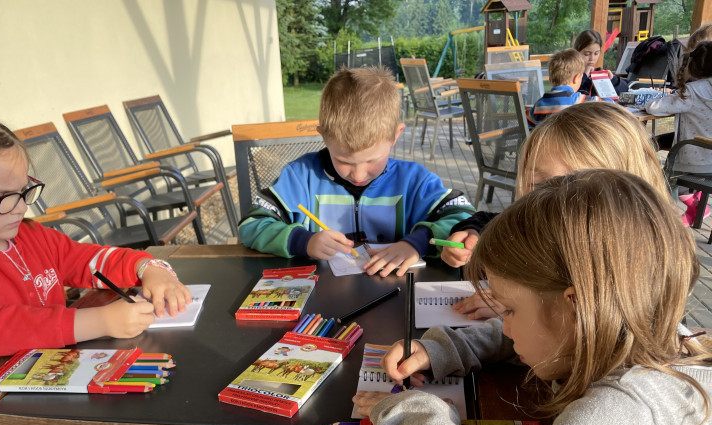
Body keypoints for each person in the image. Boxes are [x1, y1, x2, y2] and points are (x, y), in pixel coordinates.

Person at [352, 169, 712, 425]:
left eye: (508, 310)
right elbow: (526, 334)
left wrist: (413, 413)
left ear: (575, 308)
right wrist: (446, 348)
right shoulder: (640, 332)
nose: (503, 324)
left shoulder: (626, 414)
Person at [0, 110, 193, 407]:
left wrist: (148, 267)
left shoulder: (30, 235)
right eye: (2, 197)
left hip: (52, 381)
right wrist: (101, 321)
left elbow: (89, 260)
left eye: (23, 190)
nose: (21, 207)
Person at [237, 66, 474, 278]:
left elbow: (464, 217)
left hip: (397, 296)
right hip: (322, 299)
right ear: (323, 136)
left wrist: (417, 243)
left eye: (372, 160)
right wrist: (303, 241)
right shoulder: (300, 177)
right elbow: (252, 225)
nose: (358, 175)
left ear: (395, 136)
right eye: (343, 160)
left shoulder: (414, 181)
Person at [440, 101, 668, 307]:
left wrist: (515, 309)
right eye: (537, 184)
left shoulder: (634, 271)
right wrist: (472, 233)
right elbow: (490, 221)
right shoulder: (533, 225)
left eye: (572, 189)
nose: (546, 200)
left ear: (623, 196)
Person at [647, 40, 712, 179]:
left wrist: (649, 99)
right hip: (709, 162)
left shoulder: (691, 92)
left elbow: (654, 107)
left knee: (648, 145)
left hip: (693, 163)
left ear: (692, 66)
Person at [526, 49, 608, 127]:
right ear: (576, 78)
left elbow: (527, 120)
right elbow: (608, 105)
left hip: (546, 137)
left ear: (550, 79)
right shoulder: (579, 100)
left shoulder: (538, 105)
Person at [574, 29, 629, 97]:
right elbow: (569, 92)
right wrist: (584, 76)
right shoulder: (569, 74)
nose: (592, 58)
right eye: (587, 54)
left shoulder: (598, 73)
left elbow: (626, 90)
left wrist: (613, 80)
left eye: (596, 53)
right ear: (577, 52)